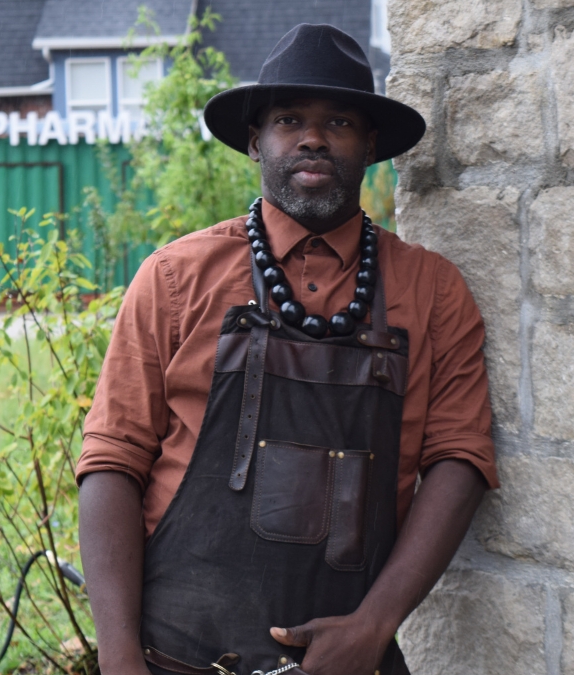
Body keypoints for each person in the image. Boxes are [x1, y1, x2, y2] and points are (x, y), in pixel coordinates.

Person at [77, 23, 499, 675]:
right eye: (288, 119)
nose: (312, 137)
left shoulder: (433, 291)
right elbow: (112, 459)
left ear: (371, 143)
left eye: (339, 120)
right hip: (175, 659)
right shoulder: (173, 279)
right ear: (255, 141)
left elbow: (460, 457)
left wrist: (375, 624)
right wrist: (119, 658)